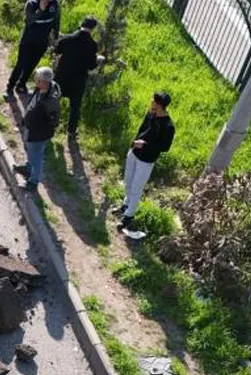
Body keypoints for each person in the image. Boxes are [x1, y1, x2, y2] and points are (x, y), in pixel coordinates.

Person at [115, 92, 176, 233]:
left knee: (137, 187)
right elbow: (141, 130)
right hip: (134, 153)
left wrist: (145, 145)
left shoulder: (168, 126)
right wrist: (134, 144)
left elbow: (165, 147)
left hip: (146, 161)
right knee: (128, 181)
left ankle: (129, 216)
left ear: (160, 105)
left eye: (154, 101)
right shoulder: (150, 115)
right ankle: (126, 205)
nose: (151, 102)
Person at [53, 16, 103, 135]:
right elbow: (91, 66)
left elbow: (56, 51)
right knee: (75, 107)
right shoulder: (92, 45)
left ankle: (50, 122)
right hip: (78, 80)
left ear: (81, 24)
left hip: (62, 75)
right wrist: (98, 60)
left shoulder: (67, 38)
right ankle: (71, 131)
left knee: (54, 99)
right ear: (93, 29)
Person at [14, 66, 62, 192]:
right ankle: (28, 168)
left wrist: (39, 126)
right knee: (30, 150)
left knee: (37, 157)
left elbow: (54, 121)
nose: (35, 81)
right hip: (31, 129)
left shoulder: (51, 100)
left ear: (44, 82)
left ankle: (33, 182)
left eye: (38, 79)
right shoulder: (40, 89)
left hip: (38, 133)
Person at [5, 0, 61, 98]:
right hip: (27, 42)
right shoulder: (31, 4)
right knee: (21, 64)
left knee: (32, 65)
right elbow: (28, 21)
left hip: (42, 43)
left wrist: (56, 39)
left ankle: (21, 85)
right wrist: (40, 11)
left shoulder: (54, 5)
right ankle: (10, 87)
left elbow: (56, 22)